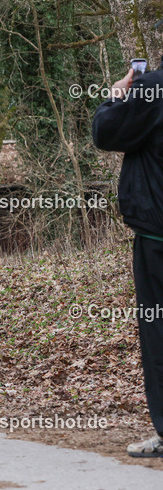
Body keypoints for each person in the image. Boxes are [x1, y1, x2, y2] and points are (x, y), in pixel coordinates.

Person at [92, 58, 163, 457]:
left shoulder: (153, 89)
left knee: (159, 338)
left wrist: (116, 96)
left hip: (157, 237)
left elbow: (106, 132)